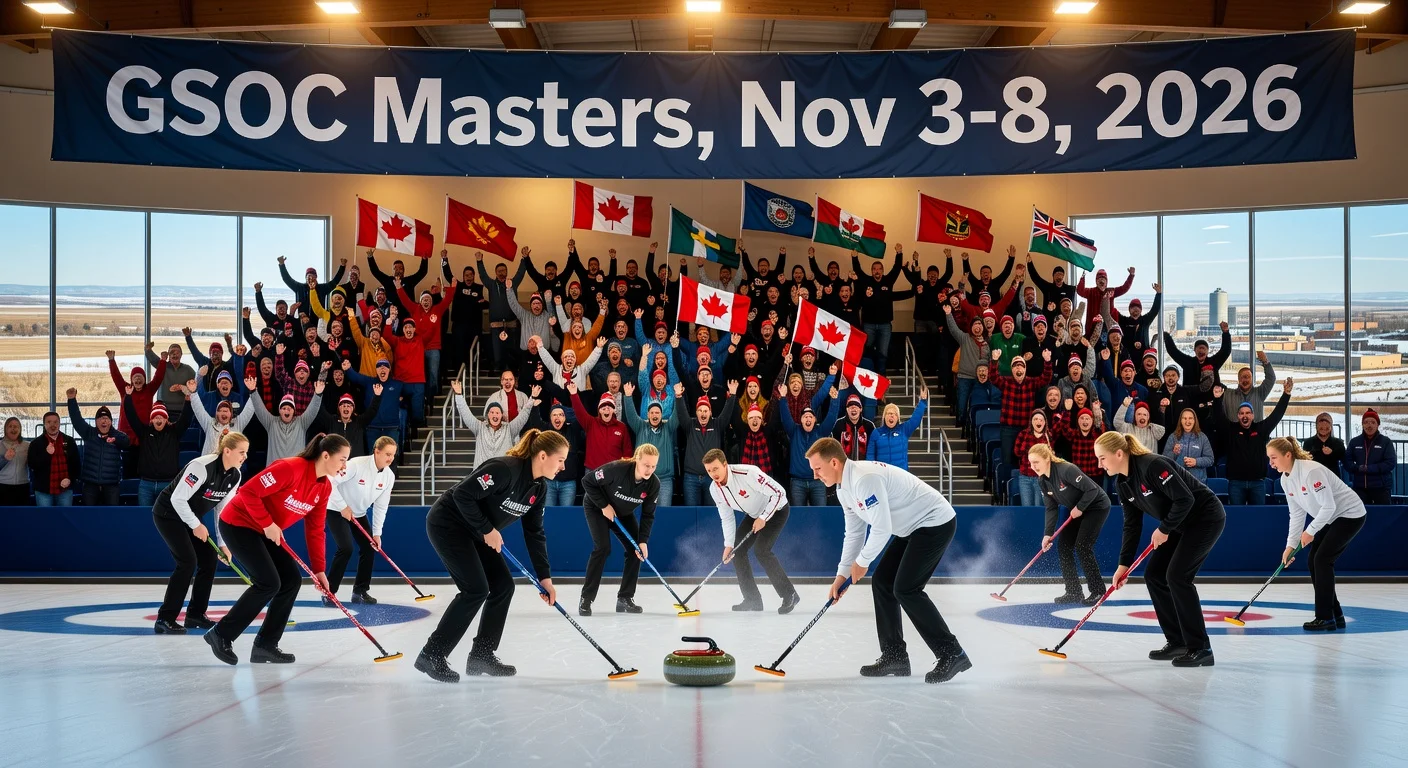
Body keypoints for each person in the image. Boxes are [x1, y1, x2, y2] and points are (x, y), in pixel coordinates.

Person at [808, 438, 970, 685]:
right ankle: (895, 656)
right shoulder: (843, 489)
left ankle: (952, 652)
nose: (815, 475)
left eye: (817, 468)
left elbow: (881, 528)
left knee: (906, 589)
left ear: (834, 462)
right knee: (883, 582)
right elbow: (854, 532)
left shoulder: (864, 479)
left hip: (935, 522)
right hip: (910, 528)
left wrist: (862, 562)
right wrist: (842, 575)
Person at [416, 429, 566, 682]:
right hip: (448, 524)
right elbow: (463, 494)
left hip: (477, 531)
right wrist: (487, 529)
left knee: (503, 587)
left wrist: (545, 577)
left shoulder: (538, 488)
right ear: (543, 455)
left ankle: (481, 655)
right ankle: (432, 654)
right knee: (475, 589)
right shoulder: (505, 469)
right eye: (560, 459)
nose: (563, 466)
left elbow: (535, 533)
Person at [205, 434, 349, 666]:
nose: (345, 465)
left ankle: (265, 645)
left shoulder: (323, 489)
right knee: (268, 582)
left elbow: (315, 530)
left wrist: (320, 570)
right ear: (325, 455)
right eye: (342, 459)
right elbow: (249, 492)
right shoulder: (290, 468)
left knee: (291, 580)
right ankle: (221, 634)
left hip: (265, 530)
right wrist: (267, 523)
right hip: (238, 524)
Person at [1096, 431, 1225, 668]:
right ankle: (1177, 641)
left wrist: (1164, 528)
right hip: (1179, 523)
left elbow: (1185, 499)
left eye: (1102, 458)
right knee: (1154, 575)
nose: (1099, 464)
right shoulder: (1123, 484)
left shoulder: (1152, 465)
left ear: (1118, 453)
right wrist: (1123, 565)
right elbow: (1132, 525)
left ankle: (1200, 647)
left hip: (1205, 518)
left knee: (1178, 577)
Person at [151, 433, 246, 634]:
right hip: (169, 514)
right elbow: (177, 499)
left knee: (209, 559)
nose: (245, 457)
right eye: (241, 452)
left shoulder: (235, 475)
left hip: (191, 517)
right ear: (227, 451)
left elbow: (222, 511)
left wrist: (223, 543)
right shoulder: (201, 467)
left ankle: (195, 615)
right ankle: (165, 619)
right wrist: (195, 524)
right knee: (187, 562)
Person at [1268, 437, 1365, 632]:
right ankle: (1335, 614)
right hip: (1328, 518)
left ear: (1288, 455)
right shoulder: (1285, 480)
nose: (1271, 463)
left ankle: (1325, 617)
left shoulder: (1311, 472)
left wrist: (1310, 531)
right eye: (1269, 458)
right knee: (1313, 560)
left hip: (1349, 514)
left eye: (1274, 458)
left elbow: (1329, 506)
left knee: (1322, 559)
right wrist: (1290, 546)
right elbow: (1296, 513)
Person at [703, 449, 799, 614]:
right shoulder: (715, 489)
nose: (713, 474)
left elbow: (779, 493)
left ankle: (789, 594)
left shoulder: (748, 473)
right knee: (737, 551)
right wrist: (728, 545)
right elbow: (726, 517)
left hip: (776, 510)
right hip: (755, 514)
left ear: (725, 464)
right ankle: (752, 599)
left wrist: (764, 517)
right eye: (709, 470)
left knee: (761, 550)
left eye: (716, 468)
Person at [577, 446, 662, 617]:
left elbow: (648, 515)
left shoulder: (653, 484)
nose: (649, 470)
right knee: (603, 548)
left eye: (653, 466)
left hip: (622, 514)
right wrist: (603, 505)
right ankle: (586, 599)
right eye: (646, 465)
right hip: (597, 507)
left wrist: (643, 541)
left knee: (635, 550)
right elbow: (587, 481)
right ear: (636, 459)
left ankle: (625, 598)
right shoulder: (617, 469)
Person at [1028, 443, 1110, 604]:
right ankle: (1073, 591)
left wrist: (1080, 507)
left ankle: (1098, 591)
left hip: (1096, 506)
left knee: (1082, 546)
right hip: (1078, 510)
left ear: (1047, 458)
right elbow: (1051, 508)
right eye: (1031, 463)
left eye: (1036, 462)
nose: (1033, 466)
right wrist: (1047, 534)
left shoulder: (1066, 469)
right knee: (1064, 546)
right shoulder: (1042, 481)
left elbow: (1092, 489)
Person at [325, 437, 397, 605]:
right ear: (376, 451)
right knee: (346, 548)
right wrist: (342, 506)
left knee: (369, 547)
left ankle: (360, 591)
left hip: (358, 513)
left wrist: (377, 533)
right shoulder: (356, 465)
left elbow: (381, 506)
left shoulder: (389, 476)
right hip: (336, 509)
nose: (390, 458)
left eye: (393, 455)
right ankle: (329, 592)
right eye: (387, 454)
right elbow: (330, 481)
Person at [1218, 379, 1293, 505]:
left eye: (1248, 413)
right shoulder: (1231, 430)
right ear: (1238, 416)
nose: (1244, 416)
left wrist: (1286, 394)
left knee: (1259, 516)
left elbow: (1276, 415)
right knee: (1239, 517)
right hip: (1236, 483)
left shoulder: (1261, 429)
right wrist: (1217, 399)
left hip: (1258, 483)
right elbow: (1218, 417)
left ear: (1253, 415)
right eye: (1241, 413)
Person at [124, 386, 196, 507]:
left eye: (161, 417)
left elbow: (185, 419)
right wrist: (128, 397)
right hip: (146, 484)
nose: (159, 419)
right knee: (144, 517)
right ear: (151, 420)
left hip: (168, 484)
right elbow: (132, 417)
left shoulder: (174, 432)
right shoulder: (144, 432)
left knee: (166, 519)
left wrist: (188, 400)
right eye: (156, 417)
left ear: (166, 419)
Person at [622, 381, 684, 504]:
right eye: (652, 413)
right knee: (643, 515)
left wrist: (678, 397)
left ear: (661, 415)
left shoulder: (668, 427)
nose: (655, 415)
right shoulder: (640, 426)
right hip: (642, 479)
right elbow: (631, 415)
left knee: (664, 514)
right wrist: (628, 397)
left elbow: (677, 415)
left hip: (664, 480)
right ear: (648, 414)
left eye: (657, 412)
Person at [779, 384, 840, 507]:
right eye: (805, 416)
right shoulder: (794, 431)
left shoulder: (821, 432)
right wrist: (783, 398)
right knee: (799, 517)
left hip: (818, 481)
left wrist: (834, 400)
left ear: (814, 420)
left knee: (821, 514)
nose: (808, 418)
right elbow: (785, 417)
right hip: (797, 482)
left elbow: (831, 418)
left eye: (810, 416)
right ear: (801, 420)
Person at [66, 391, 131, 506]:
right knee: (89, 516)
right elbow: (77, 420)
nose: (104, 421)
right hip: (90, 486)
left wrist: (115, 440)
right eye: (100, 418)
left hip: (111, 486)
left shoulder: (118, 435)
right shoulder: (89, 433)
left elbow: (126, 442)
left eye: (106, 418)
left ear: (111, 421)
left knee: (112, 517)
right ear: (96, 421)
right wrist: (71, 400)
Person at [454, 379, 537, 467]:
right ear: (488, 415)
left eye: (497, 413)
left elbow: (523, 416)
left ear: (501, 415)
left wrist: (532, 398)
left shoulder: (509, 429)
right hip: (482, 474)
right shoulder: (479, 427)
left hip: (502, 475)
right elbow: (466, 414)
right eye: (492, 412)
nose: (495, 415)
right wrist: (459, 395)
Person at [681, 383, 740, 505]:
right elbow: (681, 413)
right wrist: (678, 396)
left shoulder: (717, 425)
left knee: (712, 513)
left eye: (706, 410)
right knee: (691, 513)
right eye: (700, 410)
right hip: (691, 478)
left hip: (712, 478)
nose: (703, 413)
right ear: (696, 413)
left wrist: (733, 395)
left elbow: (727, 413)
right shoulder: (690, 425)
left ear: (710, 413)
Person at [244, 378, 326, 462]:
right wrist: (253, 391)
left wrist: (318, 394)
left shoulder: (302, 422)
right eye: (284, 408)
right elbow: (260, 409)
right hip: (275, 472)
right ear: (279, 411)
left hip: (295, 471)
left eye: (290, 408)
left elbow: (312, 410)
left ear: (294, 411)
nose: (287, 410)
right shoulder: (271, 422)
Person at [867, 389, 929, 470]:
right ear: (884, 417)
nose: (892, 416)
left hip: (900, 474)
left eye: (895, 414)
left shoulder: (904, 429)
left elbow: (915, 419)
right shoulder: (876, 433)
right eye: (889, 413)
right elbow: (870, 455)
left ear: (898, 418)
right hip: (882, 474)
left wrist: (922, 402)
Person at [1345, 409, 1396, 505]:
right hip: (1359, 488)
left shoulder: (1386, 442)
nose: (1369, 425)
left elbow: (1390, 463)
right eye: (1366, 422)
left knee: (1383, 516)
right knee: (1361, 517)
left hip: (1381, 488)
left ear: (1378, 425)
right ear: (1362, 425)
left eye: (1373, 422)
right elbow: (1347, 461)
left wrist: (1369, 468)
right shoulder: (1354, 442)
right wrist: (1357, 468)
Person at [27, 411, 78, 507]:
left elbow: (76, 464)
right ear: (44, 424)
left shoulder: (69, 441)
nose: (52, 425)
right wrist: (46, 454)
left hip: (65, 490)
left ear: (59, 423)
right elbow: (32, 464)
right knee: (44, 519)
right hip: (43, 491)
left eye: (55, 422)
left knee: (65, 518)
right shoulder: (35, 443)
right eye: (49, 422)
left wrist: (70, 479)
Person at [1163, 323, 1232, 387]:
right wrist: (1167, 336)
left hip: (1211, 399)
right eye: (1199, 348)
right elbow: (1174, 352)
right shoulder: (1187, 362)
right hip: (1191, 398)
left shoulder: (1214, 362)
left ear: (1208, 351)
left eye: (1203, 348)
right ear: (1195, 351)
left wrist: (1226, 333)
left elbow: (1225, 351)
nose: (1201, 351)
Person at [1013, 411, 1057, 507]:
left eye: (1041, 420)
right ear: (1031, 421)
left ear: (1044, 422)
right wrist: (1029, 436)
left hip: (1041, 478)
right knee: (1027, 507)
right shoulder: (1023, 434)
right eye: (1035, 419)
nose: (1038, 421)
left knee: (1039, 507)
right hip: (1025, 477)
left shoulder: (1048, 436)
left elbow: (1050, 457)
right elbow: (1017, 452)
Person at [1219, 351, 1277, 422]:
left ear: (1252, 379)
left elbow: (1271, 379)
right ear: (1238, 379)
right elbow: (1215, 385)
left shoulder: (1260, 393)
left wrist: (1266, 362)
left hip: (1256, 432)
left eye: (1248, 377)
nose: (1246, 379)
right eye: (1243, 377)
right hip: (1234, 433)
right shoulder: (1227, 394)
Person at [1162, 409, 1215, 483]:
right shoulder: (1173, 437)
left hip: (1198, 483)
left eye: (1190, 418)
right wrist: (1174, 453)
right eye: (1184, 418)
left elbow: (1210, 459)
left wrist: (1196, 462)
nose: (1187, 421)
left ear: (1194, 420)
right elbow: (1164, 461)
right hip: (1178, 482)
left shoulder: (1202, 437)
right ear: (1181, 420)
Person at [0, 417, 31, 506]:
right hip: (3, 486)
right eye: (10, 426)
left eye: (16, 426)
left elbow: (33, 465)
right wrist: (5, 459)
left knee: (22, 516)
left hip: (23, 486)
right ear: (6, 429)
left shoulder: (27, 446)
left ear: (20, 429)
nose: (13, 429)